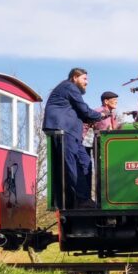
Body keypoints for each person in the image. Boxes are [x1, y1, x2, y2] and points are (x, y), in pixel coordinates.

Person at [42, 67, 106, 209]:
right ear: (75, 77)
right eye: (84, 78)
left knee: (85, 161)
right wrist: (101, 115)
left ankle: (84, 198)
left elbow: (83, 114)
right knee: (73, 164)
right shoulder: (69, 87)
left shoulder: (69, 89)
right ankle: (81, 200)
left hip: (72, 133)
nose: (87, 82)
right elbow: (84, 110)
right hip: (63, 130)